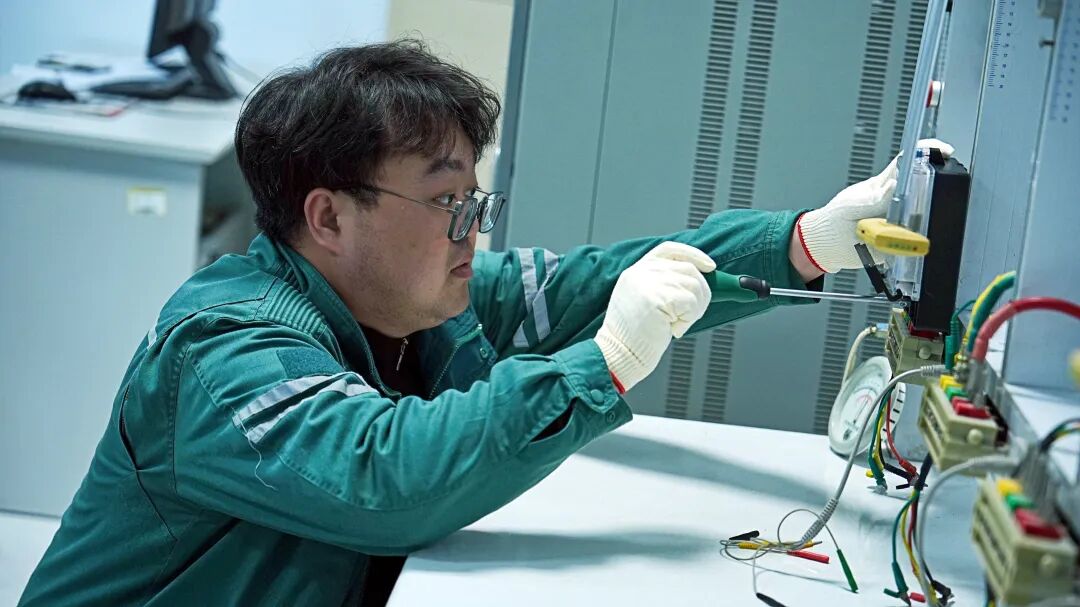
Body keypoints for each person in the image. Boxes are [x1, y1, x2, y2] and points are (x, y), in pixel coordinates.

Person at [19, 40, 951, 606]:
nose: (473, 231)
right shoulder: (224, 351)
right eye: (446, 202)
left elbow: (600, 282)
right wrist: (607, 362)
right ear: (329, 216)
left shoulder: (418, 299)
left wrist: (805, 242)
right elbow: (384, 475)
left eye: (476, 201)